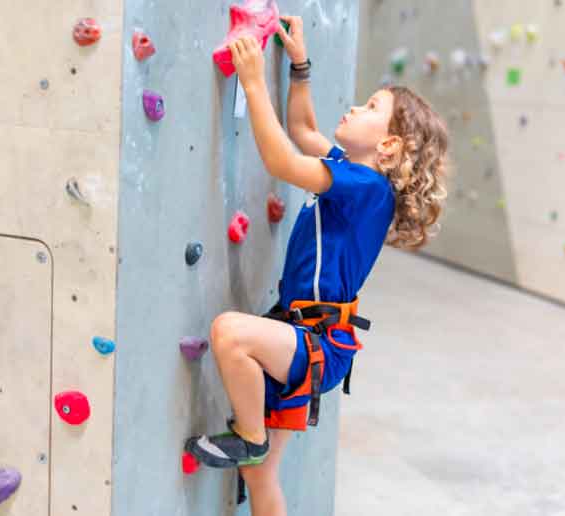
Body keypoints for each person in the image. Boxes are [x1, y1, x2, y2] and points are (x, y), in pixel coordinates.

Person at [185, 14, 450, 516]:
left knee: (229, 334)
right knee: (261, 482)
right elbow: (303, 129)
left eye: (371, 107)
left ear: (389, 146)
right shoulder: (354, 177)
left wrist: (254, 80)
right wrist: (299, 66)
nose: (354, 106)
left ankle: (250, 434)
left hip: (314, 343)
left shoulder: (367, 189)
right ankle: (254, 446)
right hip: (307, 338)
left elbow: (283, 162)